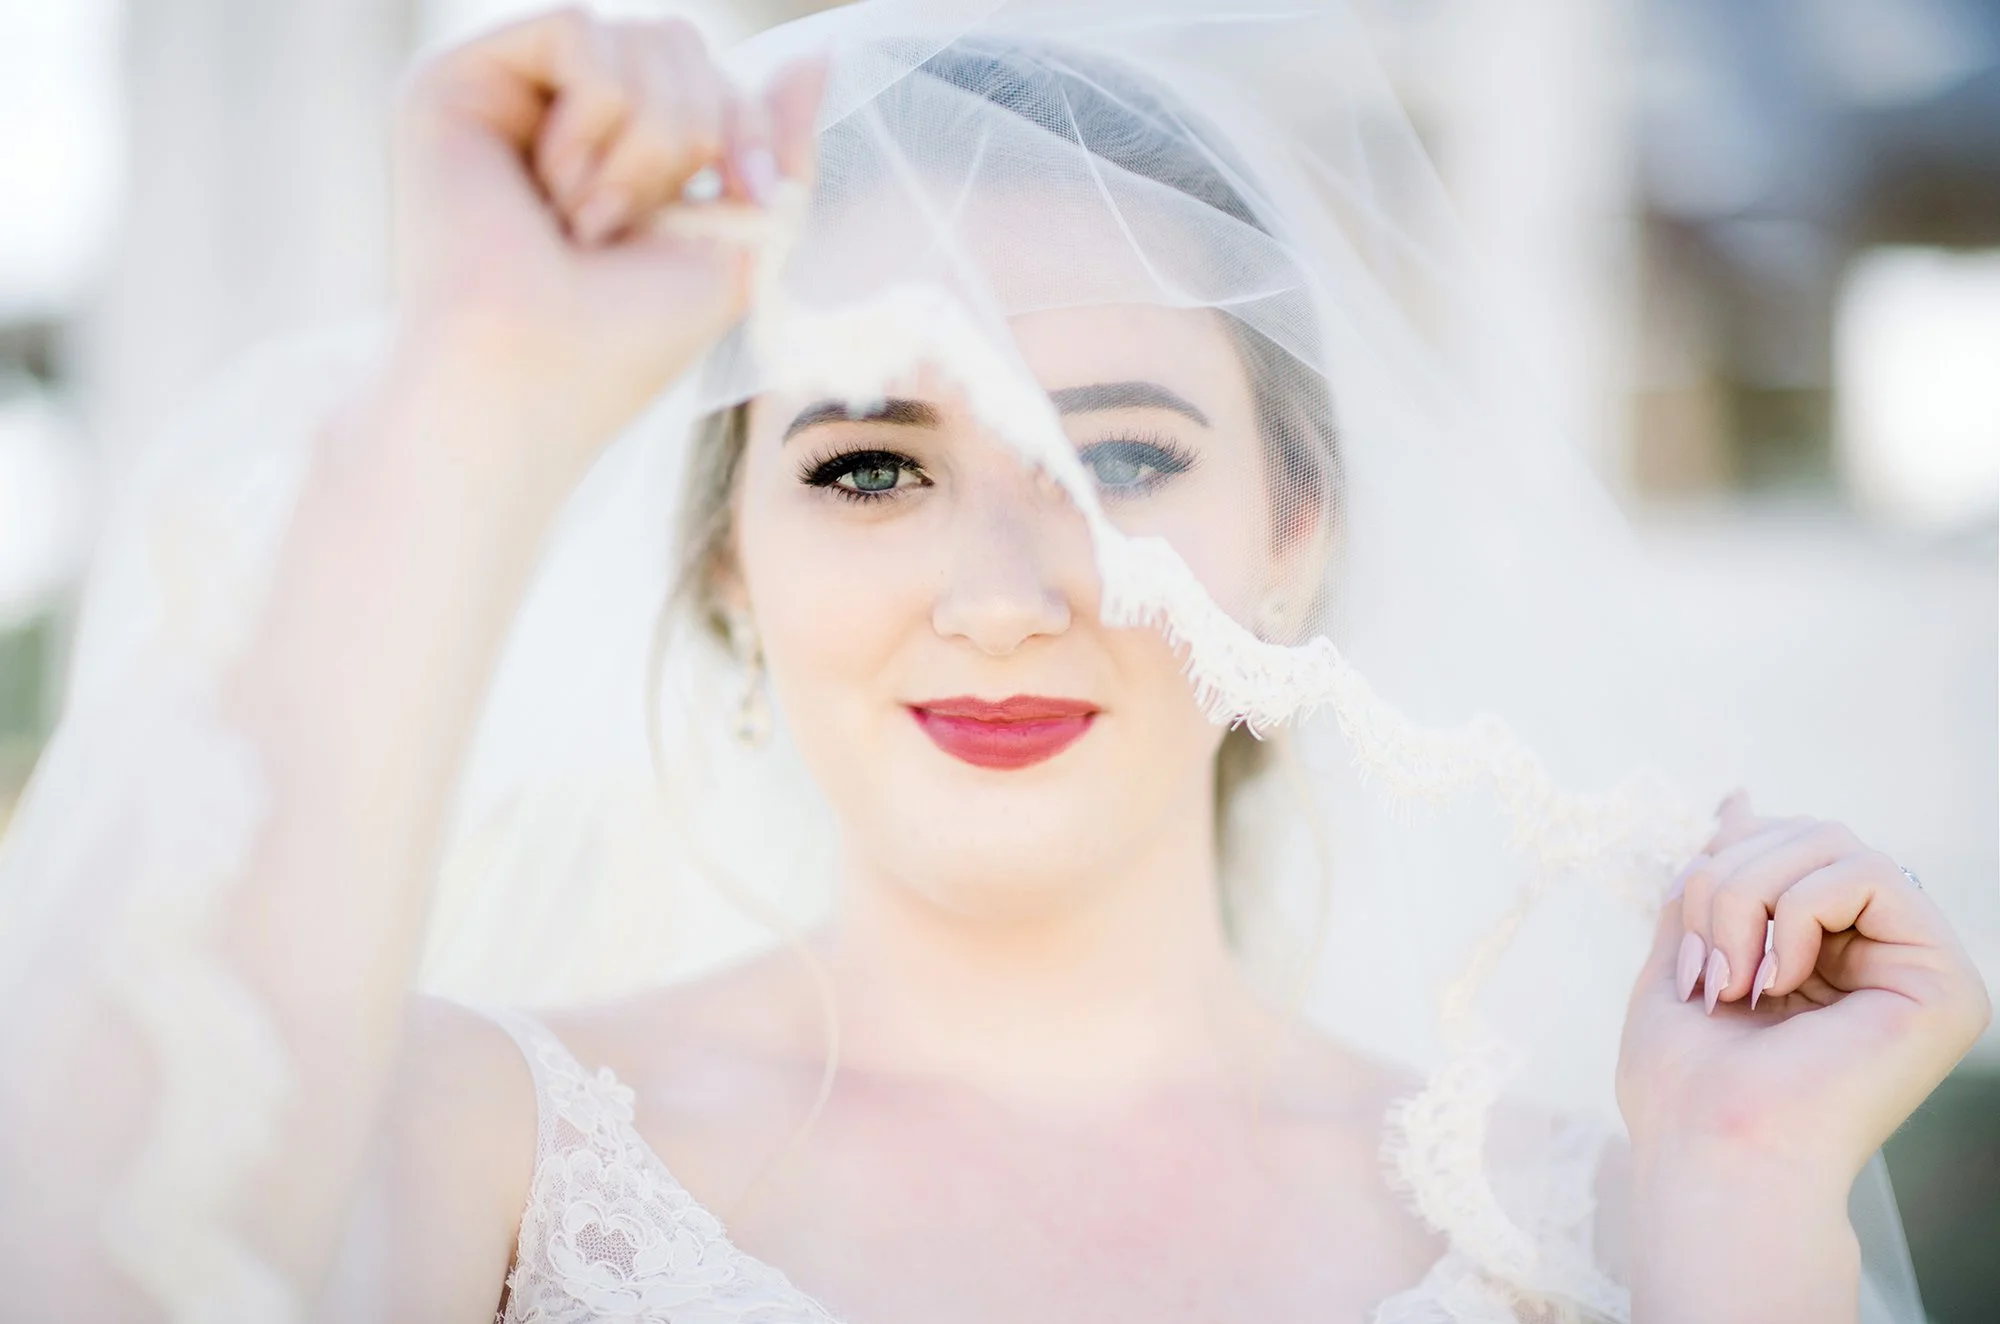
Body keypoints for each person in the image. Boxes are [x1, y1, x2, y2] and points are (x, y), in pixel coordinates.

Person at [0, 4, 1987, 1323]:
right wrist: (488, 377)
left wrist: (1733, 1199)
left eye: (1122, 456)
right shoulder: (475, 1139)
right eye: (870, 462)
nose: (1006, 586)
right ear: (722, 562)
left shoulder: (1599, 1230)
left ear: (1296, 536)